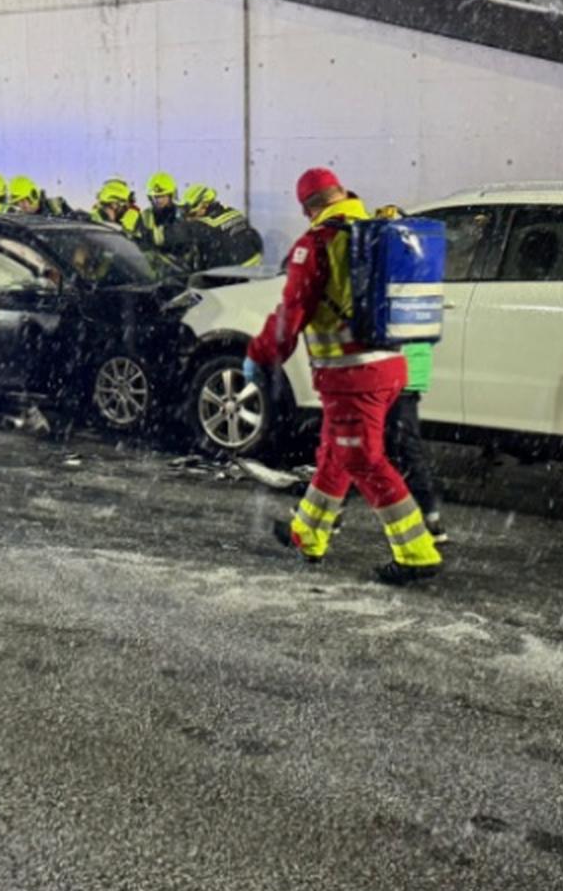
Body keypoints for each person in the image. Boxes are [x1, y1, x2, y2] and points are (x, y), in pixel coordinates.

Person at [245, 168, 444, 586]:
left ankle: (416, 551)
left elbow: (292, 313)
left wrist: (261, 355)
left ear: (309, 207)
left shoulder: (320, 243)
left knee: (363, 457)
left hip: (353, 376)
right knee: (336, 452)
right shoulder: (377, 231)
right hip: (392, 365)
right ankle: (309, 534)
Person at [373, 204, 446, 543]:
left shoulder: (391, 269)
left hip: (391, 369)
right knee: (398, 443)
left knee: (360, 441)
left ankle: (428, 518)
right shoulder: (423, 270)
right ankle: (428, 516)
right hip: (412, 369)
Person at [165, 183, 265, 271]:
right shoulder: (234, 212)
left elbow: (172, 235)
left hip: (230, 280)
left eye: (191, 213)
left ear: (204, 205)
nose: (187, 218)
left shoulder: (204, 225)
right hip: (254, 270)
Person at [139, 171, 179, 248]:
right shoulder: (145, 216)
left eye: (163, 196)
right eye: (156, 197)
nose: (159, 200)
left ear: (171, 196)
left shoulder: (180, 214)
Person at [8, 176, 74, 218]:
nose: (21, 205)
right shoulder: (20, 218)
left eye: (23, 200)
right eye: (17, 203)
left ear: (33, 196)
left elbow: (78, 222)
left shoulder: (56, 206)